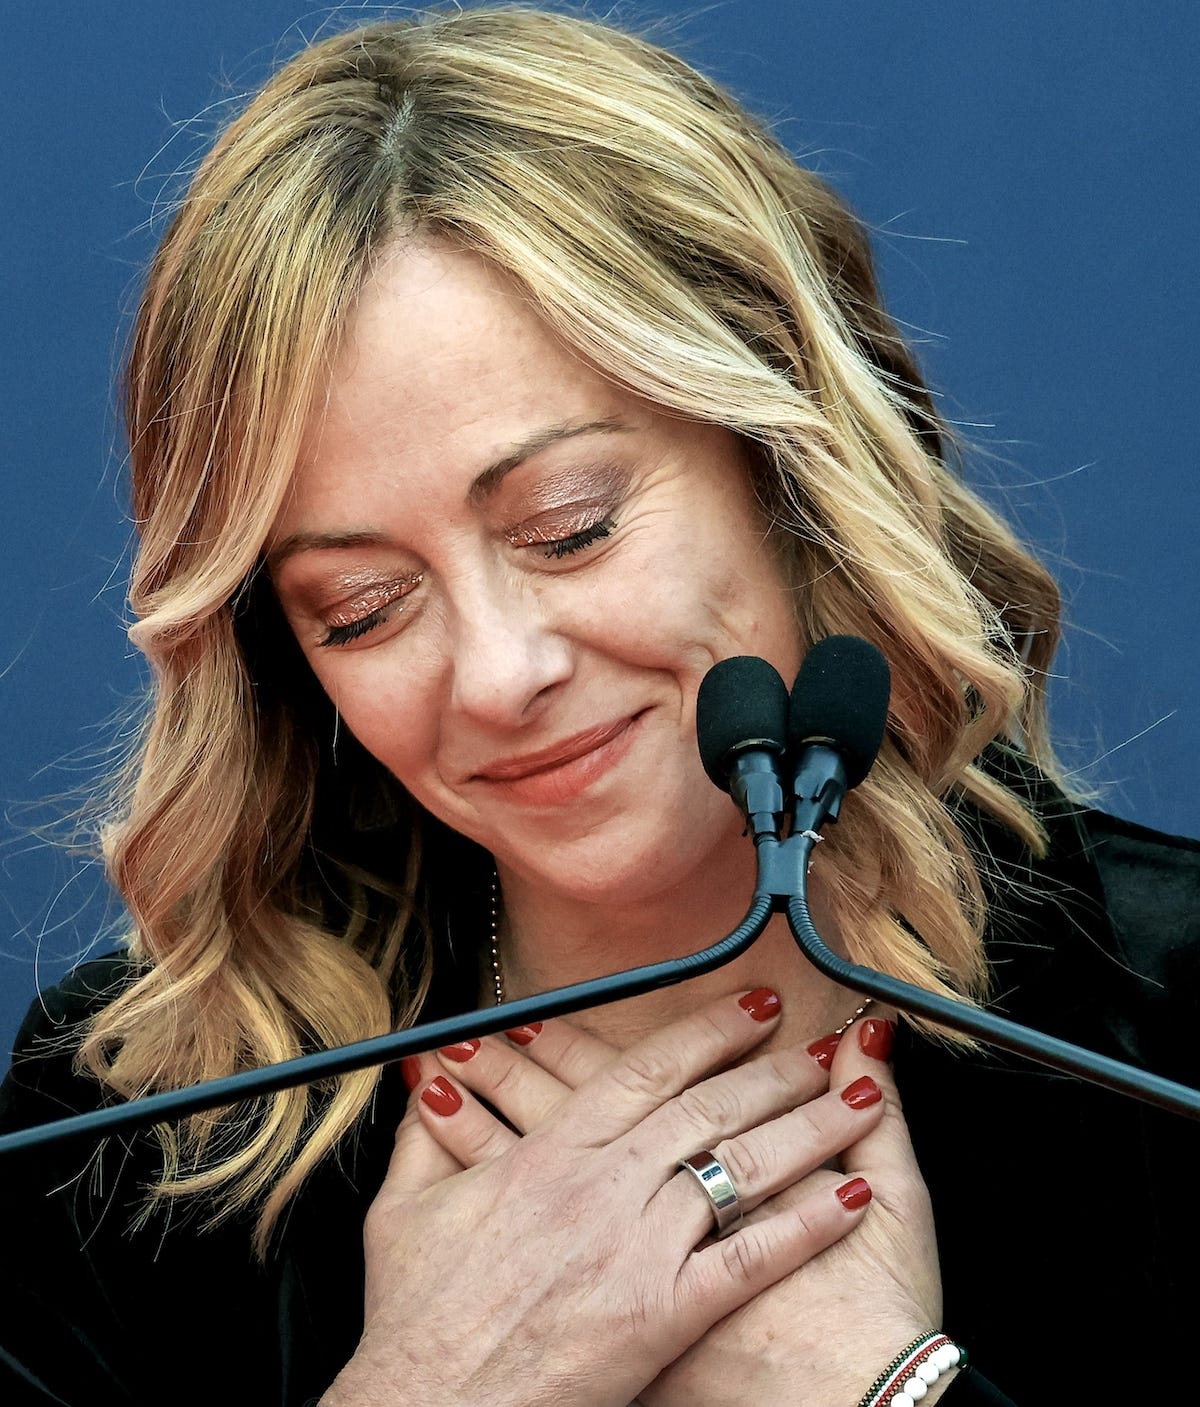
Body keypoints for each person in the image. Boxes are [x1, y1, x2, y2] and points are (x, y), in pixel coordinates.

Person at [1, 7, 1197, 1405]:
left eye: (569, 528)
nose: (499, 676)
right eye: (362, 607)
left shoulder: (1168, 1018)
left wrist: (886, 1391)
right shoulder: (130, 1123)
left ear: (785, 456)